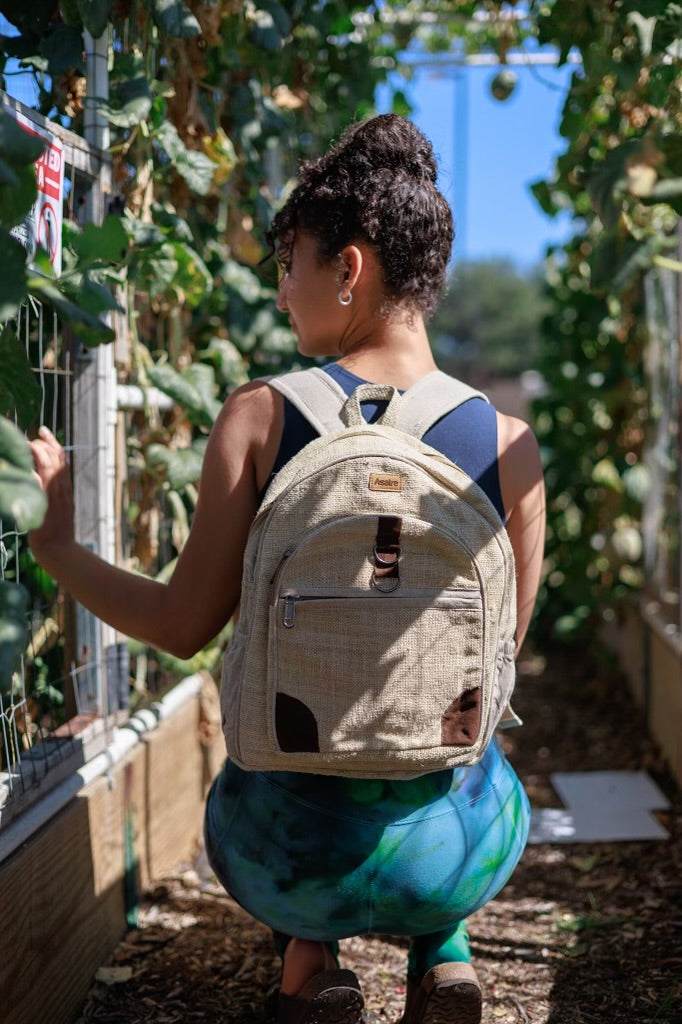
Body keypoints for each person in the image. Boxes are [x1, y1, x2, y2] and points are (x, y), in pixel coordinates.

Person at [28, 114, 546, 1024]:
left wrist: (60, 546)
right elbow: (500, 659)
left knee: (283, 767)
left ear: (348, 269)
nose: (280, 291)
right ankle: (447, 950)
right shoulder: (509, 443)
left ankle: (309, 961)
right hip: (455, 850)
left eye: (291, 262)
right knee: (454, 738)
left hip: (286, 854)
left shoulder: (262, 417)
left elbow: (185, 627)